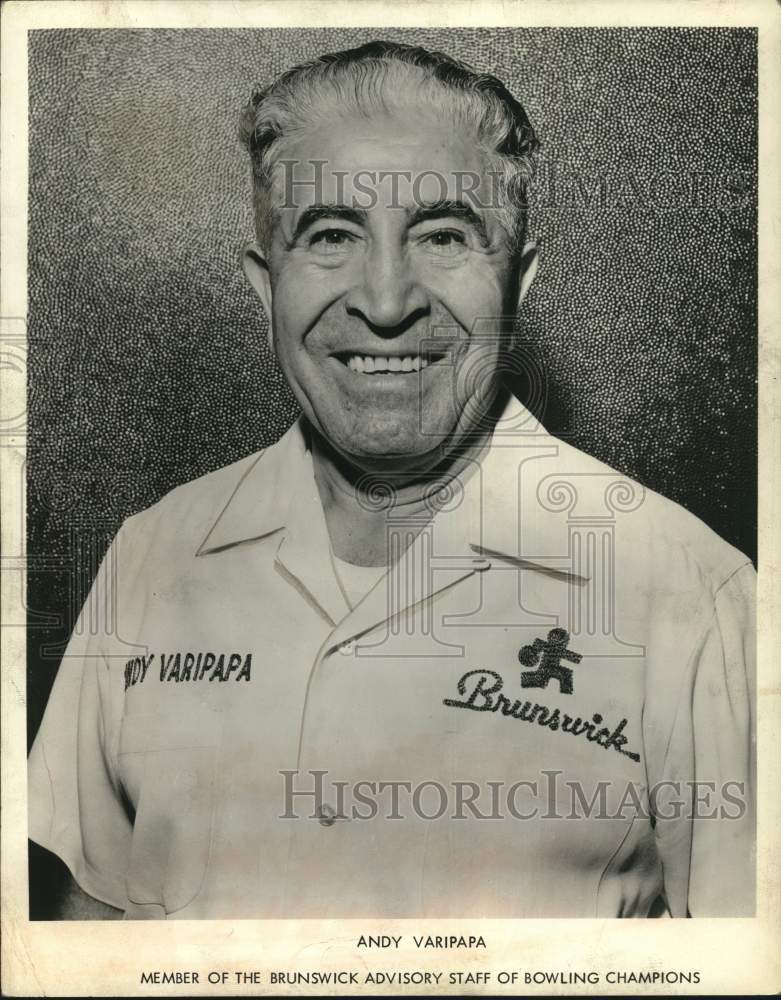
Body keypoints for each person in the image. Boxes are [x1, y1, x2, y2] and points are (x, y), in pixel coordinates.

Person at [28, 40, 755, 920]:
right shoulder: (151, 553)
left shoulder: (693, 591)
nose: (383, 301)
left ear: (518, 282)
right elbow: (95, 913)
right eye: (330, 235)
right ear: (265, 288)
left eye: (444, 235)